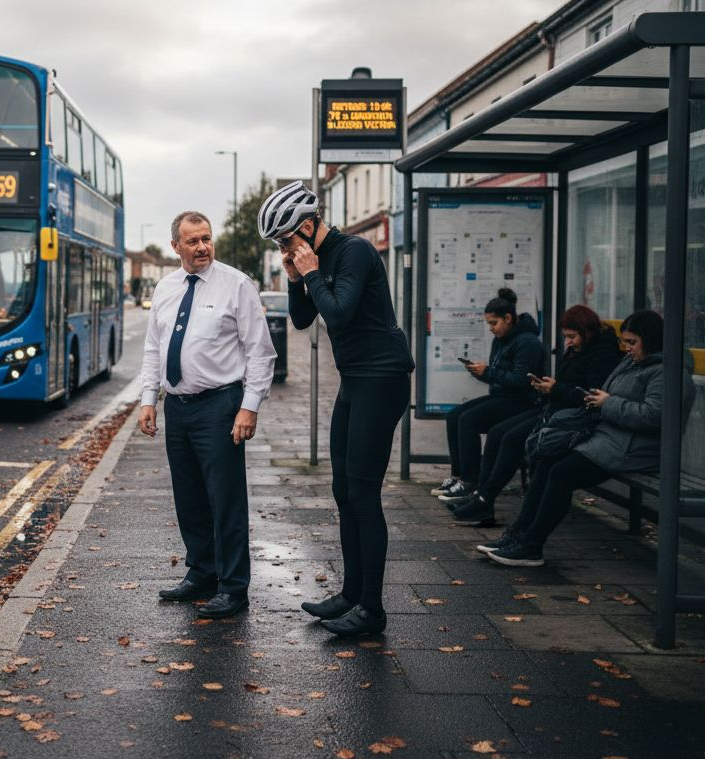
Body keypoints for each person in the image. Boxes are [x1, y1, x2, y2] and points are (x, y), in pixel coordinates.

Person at [259, 181, 415, 638]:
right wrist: (295, 278)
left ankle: (373, 609)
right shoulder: (316, 259)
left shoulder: (356, 252)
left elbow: (340, 314)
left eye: (287, 240)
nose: (285, 248)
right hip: (355, 380)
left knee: (364, 493)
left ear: (307, 226)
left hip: (382, 380)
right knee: (343, 489)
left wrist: (309, 274)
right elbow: (306, 319)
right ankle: (350, 594)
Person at [138, 211, 276, 621]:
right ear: (175, 247)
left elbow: (260, 351)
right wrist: (149, 399)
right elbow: (152, 348)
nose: (202, 247)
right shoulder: (165, 288)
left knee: (226, 501)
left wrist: (249, 407)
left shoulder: (236, 284)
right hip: (177, 407)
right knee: (189, 498)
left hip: (220, 406)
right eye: (192, 241)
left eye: (206, 239)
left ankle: (233, 588)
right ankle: (202, 573)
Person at [484, 310, 688, 566]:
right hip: (610, 438)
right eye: (626, 341)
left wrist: (608, 403)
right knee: (548, 461)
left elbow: (653, 416)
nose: (626, 348)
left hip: (634, 448)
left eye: (632, 342)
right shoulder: (634, 362)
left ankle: (531, 545)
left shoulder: (665, 372)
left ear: (651, 340)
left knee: (561, 473)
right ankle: (517, 535)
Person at [448, 304, 624, 525]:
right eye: (566, 337)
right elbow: (566, 383)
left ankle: (485, 498)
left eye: (572, 337)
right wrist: (549, 387)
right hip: (553, 409)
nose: (568, 342)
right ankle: (481, 496)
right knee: (497, 433)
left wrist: (555, 388)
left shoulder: (601, 355)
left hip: (572, 418)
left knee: (511, 438)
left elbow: (591, 395)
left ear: (587, 332)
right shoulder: (577, 349)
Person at [434, 288, 545, 502]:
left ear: (508, 318)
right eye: (489, 324)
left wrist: (489, 372)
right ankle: (457, 475)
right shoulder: (501, 340)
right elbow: (498, 376)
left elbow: (521, 381)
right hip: (502, 397)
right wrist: (481, 373)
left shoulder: (527, 342)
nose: (491, 329)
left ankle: (470, 480)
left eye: (494, 323)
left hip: (523, 402)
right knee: (454, 416)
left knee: (468, 420)